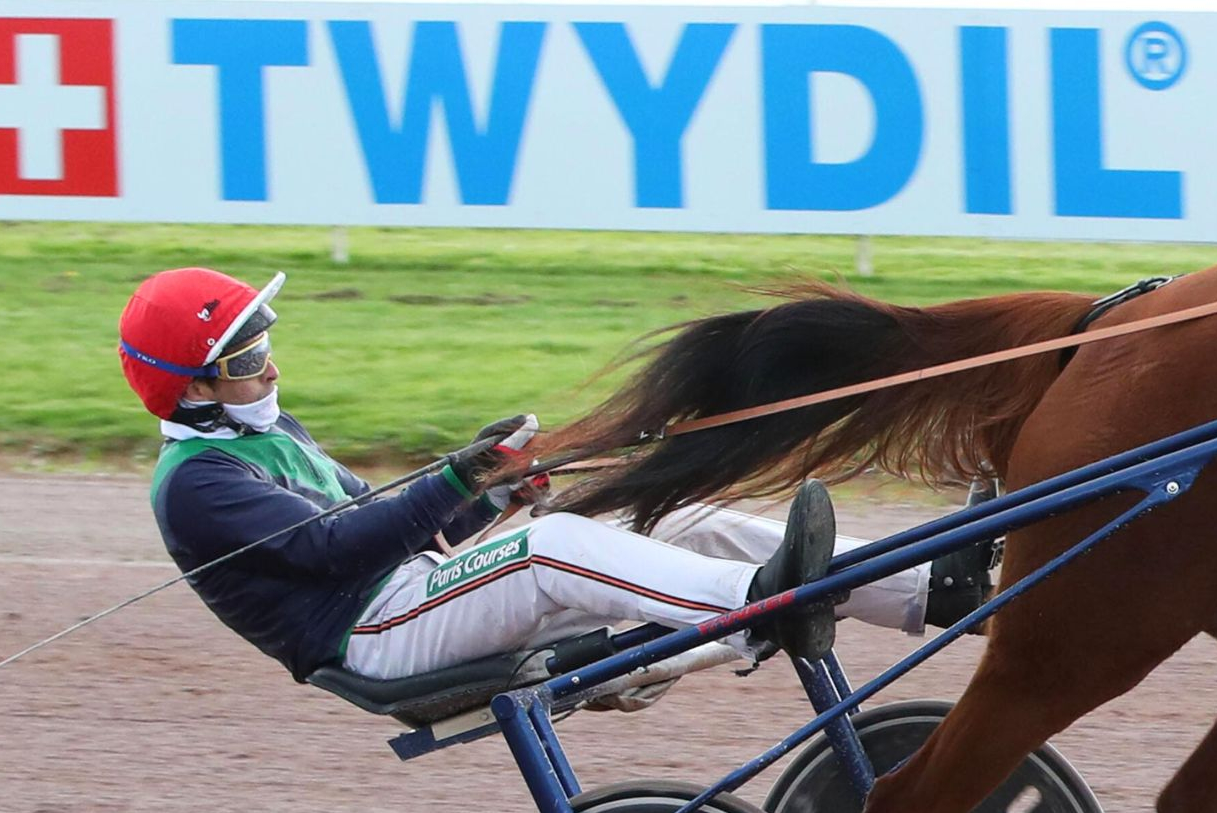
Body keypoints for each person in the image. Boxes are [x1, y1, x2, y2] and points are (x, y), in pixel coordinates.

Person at [119, 266, 973, 688]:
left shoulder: (269, 431)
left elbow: (414, 534)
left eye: (267, 346)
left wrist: (493, 490)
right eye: (247, 359)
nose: (270, 369)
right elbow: (336, 551)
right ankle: (759, 604)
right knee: (552, 545)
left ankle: (929, 588)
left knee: (674, 517)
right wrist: (454, 478)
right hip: (371, 638)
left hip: (412, 596)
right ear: (192, 386)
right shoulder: (196, 484)